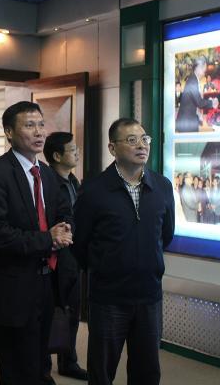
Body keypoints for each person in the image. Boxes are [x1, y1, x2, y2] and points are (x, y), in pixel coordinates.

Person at [0, 101, 73, 385]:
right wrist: (47, 239)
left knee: (40, 362)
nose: (39, 132)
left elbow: (63, 211)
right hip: (11, 286)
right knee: (17, 368)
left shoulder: (47, 173)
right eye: (30, 125)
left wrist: (65, 228)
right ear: (9, 132)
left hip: (46, 281)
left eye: (41, 124)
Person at [72, 118, 175, 385]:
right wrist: (105, 267)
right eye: (131, 140)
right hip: (109, 297)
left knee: (147, 371)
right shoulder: (94, 190)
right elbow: (80, 244)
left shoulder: (162, 186)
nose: (141, 145)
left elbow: (166, 235)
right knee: (102, 371)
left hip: (149, 295)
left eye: (144, 139)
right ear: (112, 148)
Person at [42, 132, 88, 381]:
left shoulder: (73, 181)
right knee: (50, 313)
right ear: (57, 156)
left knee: (71, 310)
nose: (77, 153)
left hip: (73, 255)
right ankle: (43, 368)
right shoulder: (46, 182)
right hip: (53, 255)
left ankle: (68, 361)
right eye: (72, 150)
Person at [176, 56, 218, 132]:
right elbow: (199, 102)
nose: (205, 73)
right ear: (198, 67)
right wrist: (212, 103)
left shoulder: (194, 79)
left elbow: (196, 101)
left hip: (189, 120)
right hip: (186, 123)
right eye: (204, 69)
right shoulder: (193, 81)